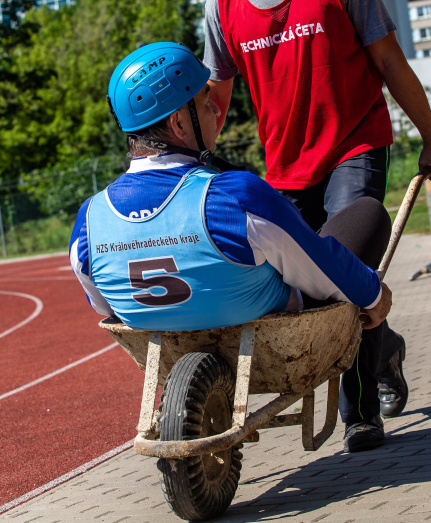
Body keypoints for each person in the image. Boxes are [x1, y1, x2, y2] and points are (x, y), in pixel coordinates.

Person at [202, 0, 431, 436]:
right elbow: (217, 94)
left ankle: (360, 416)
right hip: (285, 166)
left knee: (345, 268)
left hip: (353, 144)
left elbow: (389, 60)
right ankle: (386, 347)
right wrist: (193, 162)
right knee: (308, 287)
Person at [70, 42, 396, 453]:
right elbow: (320, 268)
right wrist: (373, 294)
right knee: (367, 213)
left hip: (163, 338)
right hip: (271, 328)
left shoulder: (90, 218)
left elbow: (104, 307)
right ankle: (371, 386)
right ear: (178, 123)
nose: (215, 111)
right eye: (205, 102)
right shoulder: (232, 195)